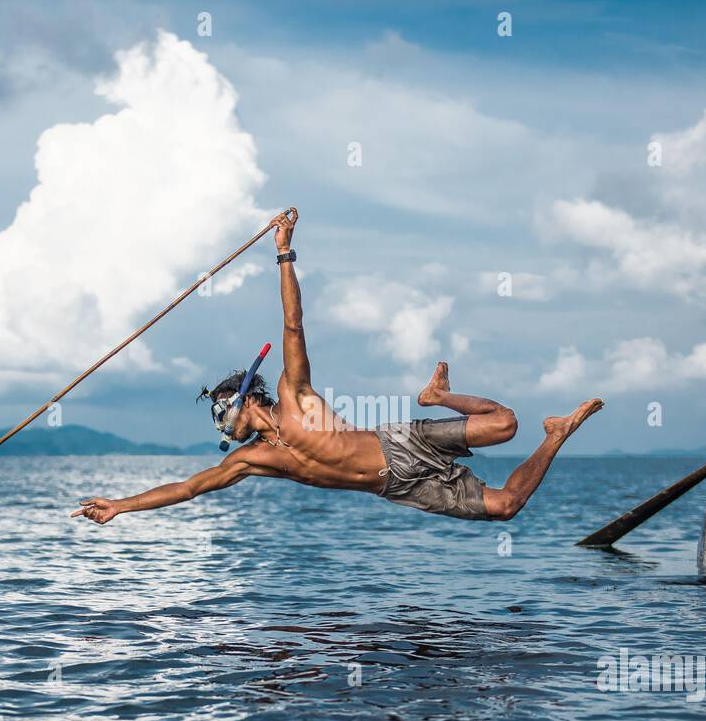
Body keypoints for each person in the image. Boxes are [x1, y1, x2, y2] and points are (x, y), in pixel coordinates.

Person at [73, 210, 602, 526]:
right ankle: (556, 435)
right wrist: (122, 506)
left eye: (218, 412)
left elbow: (293, 325)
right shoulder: (253, 460)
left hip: (403, 444)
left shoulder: (296, 398)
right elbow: (190, 488)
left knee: (506, 423)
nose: (220, 428)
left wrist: (284, 255)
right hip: (400, 487)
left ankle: (437, 396)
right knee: (506, 507)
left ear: (243, 400)